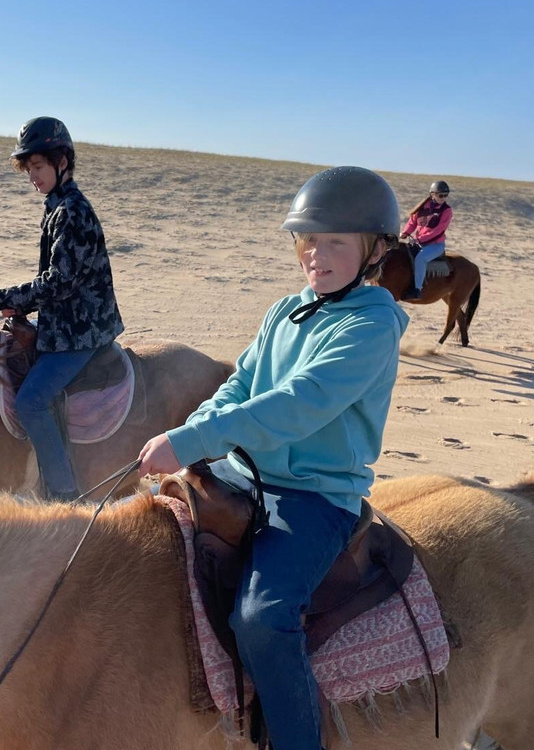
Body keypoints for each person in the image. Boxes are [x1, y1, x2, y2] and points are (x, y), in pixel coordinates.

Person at [138, 166, 408, 750]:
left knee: (262, 621)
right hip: (241, 473)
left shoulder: (372, 325)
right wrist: (193, 429)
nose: (317, 254)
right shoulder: (285, 309)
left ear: (376, 249)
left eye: (336, 241)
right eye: (308, 240)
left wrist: (187, 444)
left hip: (312, 495)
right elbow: (242, 386)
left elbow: (296, 405)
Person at [0, 117, 123, 501]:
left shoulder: (73, 211)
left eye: (38, 167)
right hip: (66, 321)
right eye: (28, 169)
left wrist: (1, 299)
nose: (32, 177)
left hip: (82, 330)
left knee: (32, 401)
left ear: (61, 162)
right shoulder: (57, 206)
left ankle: (63, 493)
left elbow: (60, 282)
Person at [399, 179, 453, 299]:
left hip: (435, 245)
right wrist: (406, 232)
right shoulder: (421, 208)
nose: (443, 198)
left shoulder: (446, 210)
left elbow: (439, 230)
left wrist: (421, 239)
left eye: (446, 195)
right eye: (441, 195)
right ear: (432, 194)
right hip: (418, 242)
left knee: (421, 259)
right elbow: (412, 222)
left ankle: (417, 289)